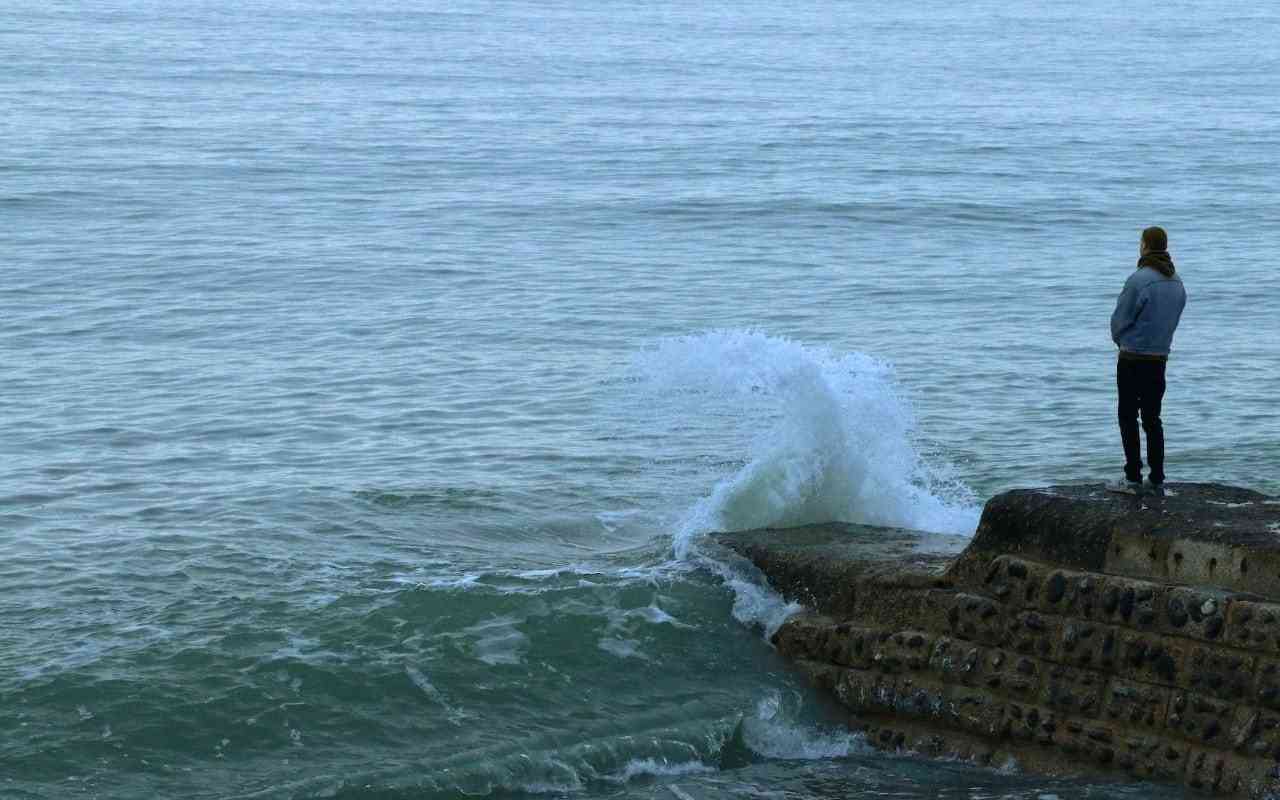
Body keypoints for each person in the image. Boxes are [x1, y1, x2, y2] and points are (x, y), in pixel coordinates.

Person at [1107, 226, 1187, 496]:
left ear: (1144, 246)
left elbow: (1120, 320)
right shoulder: (1176, 282)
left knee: (1127, 416)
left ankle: (1132, 477)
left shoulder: (1139, 279)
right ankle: (1157, 478)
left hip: (1132, 357)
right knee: (1153, 418)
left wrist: (1120, 340)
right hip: (1159, 358)